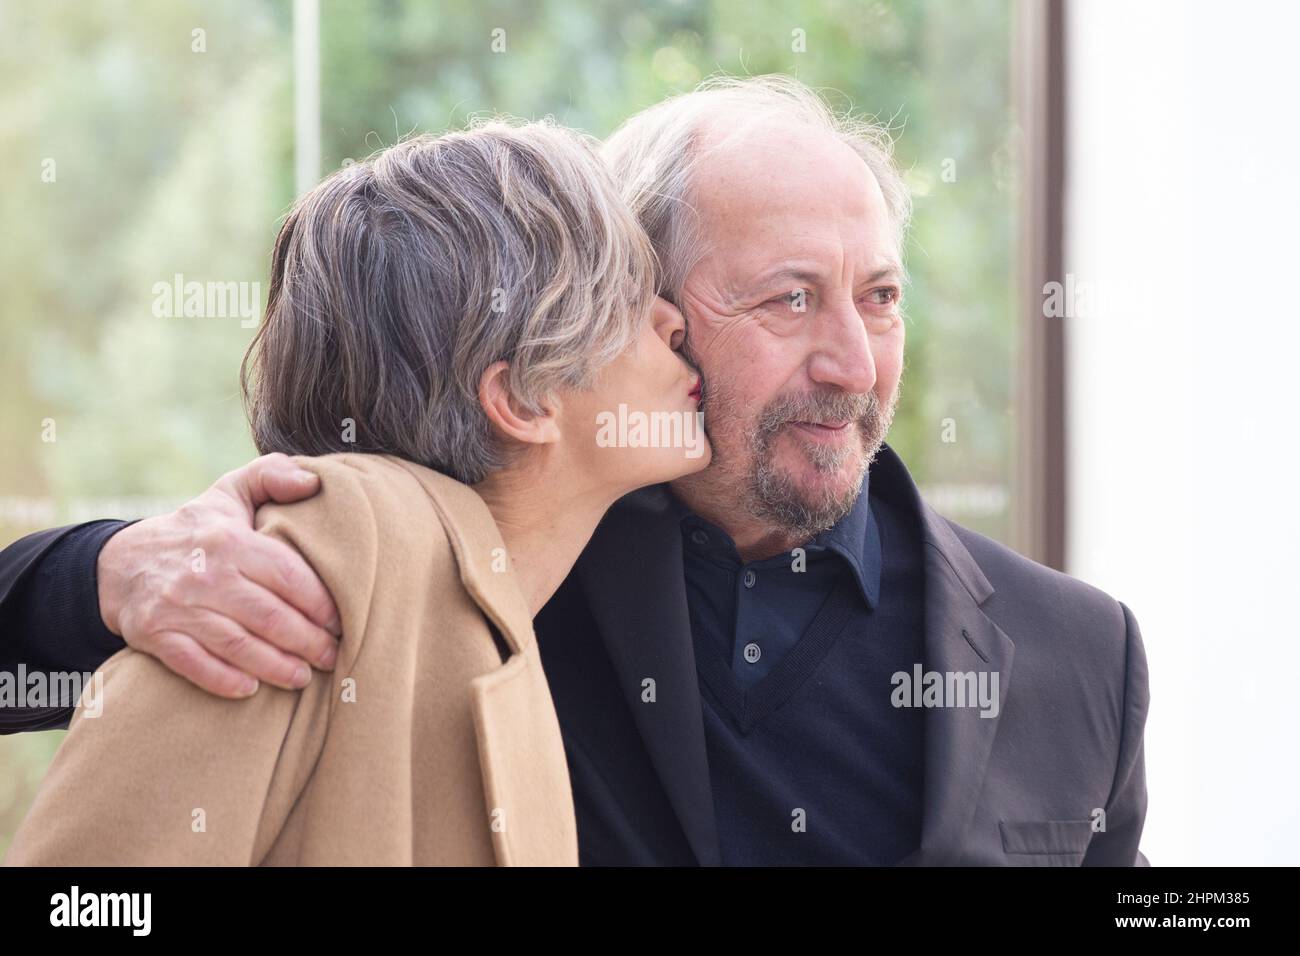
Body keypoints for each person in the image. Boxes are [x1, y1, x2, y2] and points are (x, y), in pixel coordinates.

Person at [0, 75, 1149, 866]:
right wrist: (100, 572)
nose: (852, 360)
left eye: (882, 296)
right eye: (785, 296)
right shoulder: (440, 546)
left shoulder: (1080, 652)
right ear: (645, 299)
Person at [2, 117, 708, 865]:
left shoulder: (471, 598)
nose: (673, 320)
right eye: (630, 295)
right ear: (527, 401)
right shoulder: (332, 558)